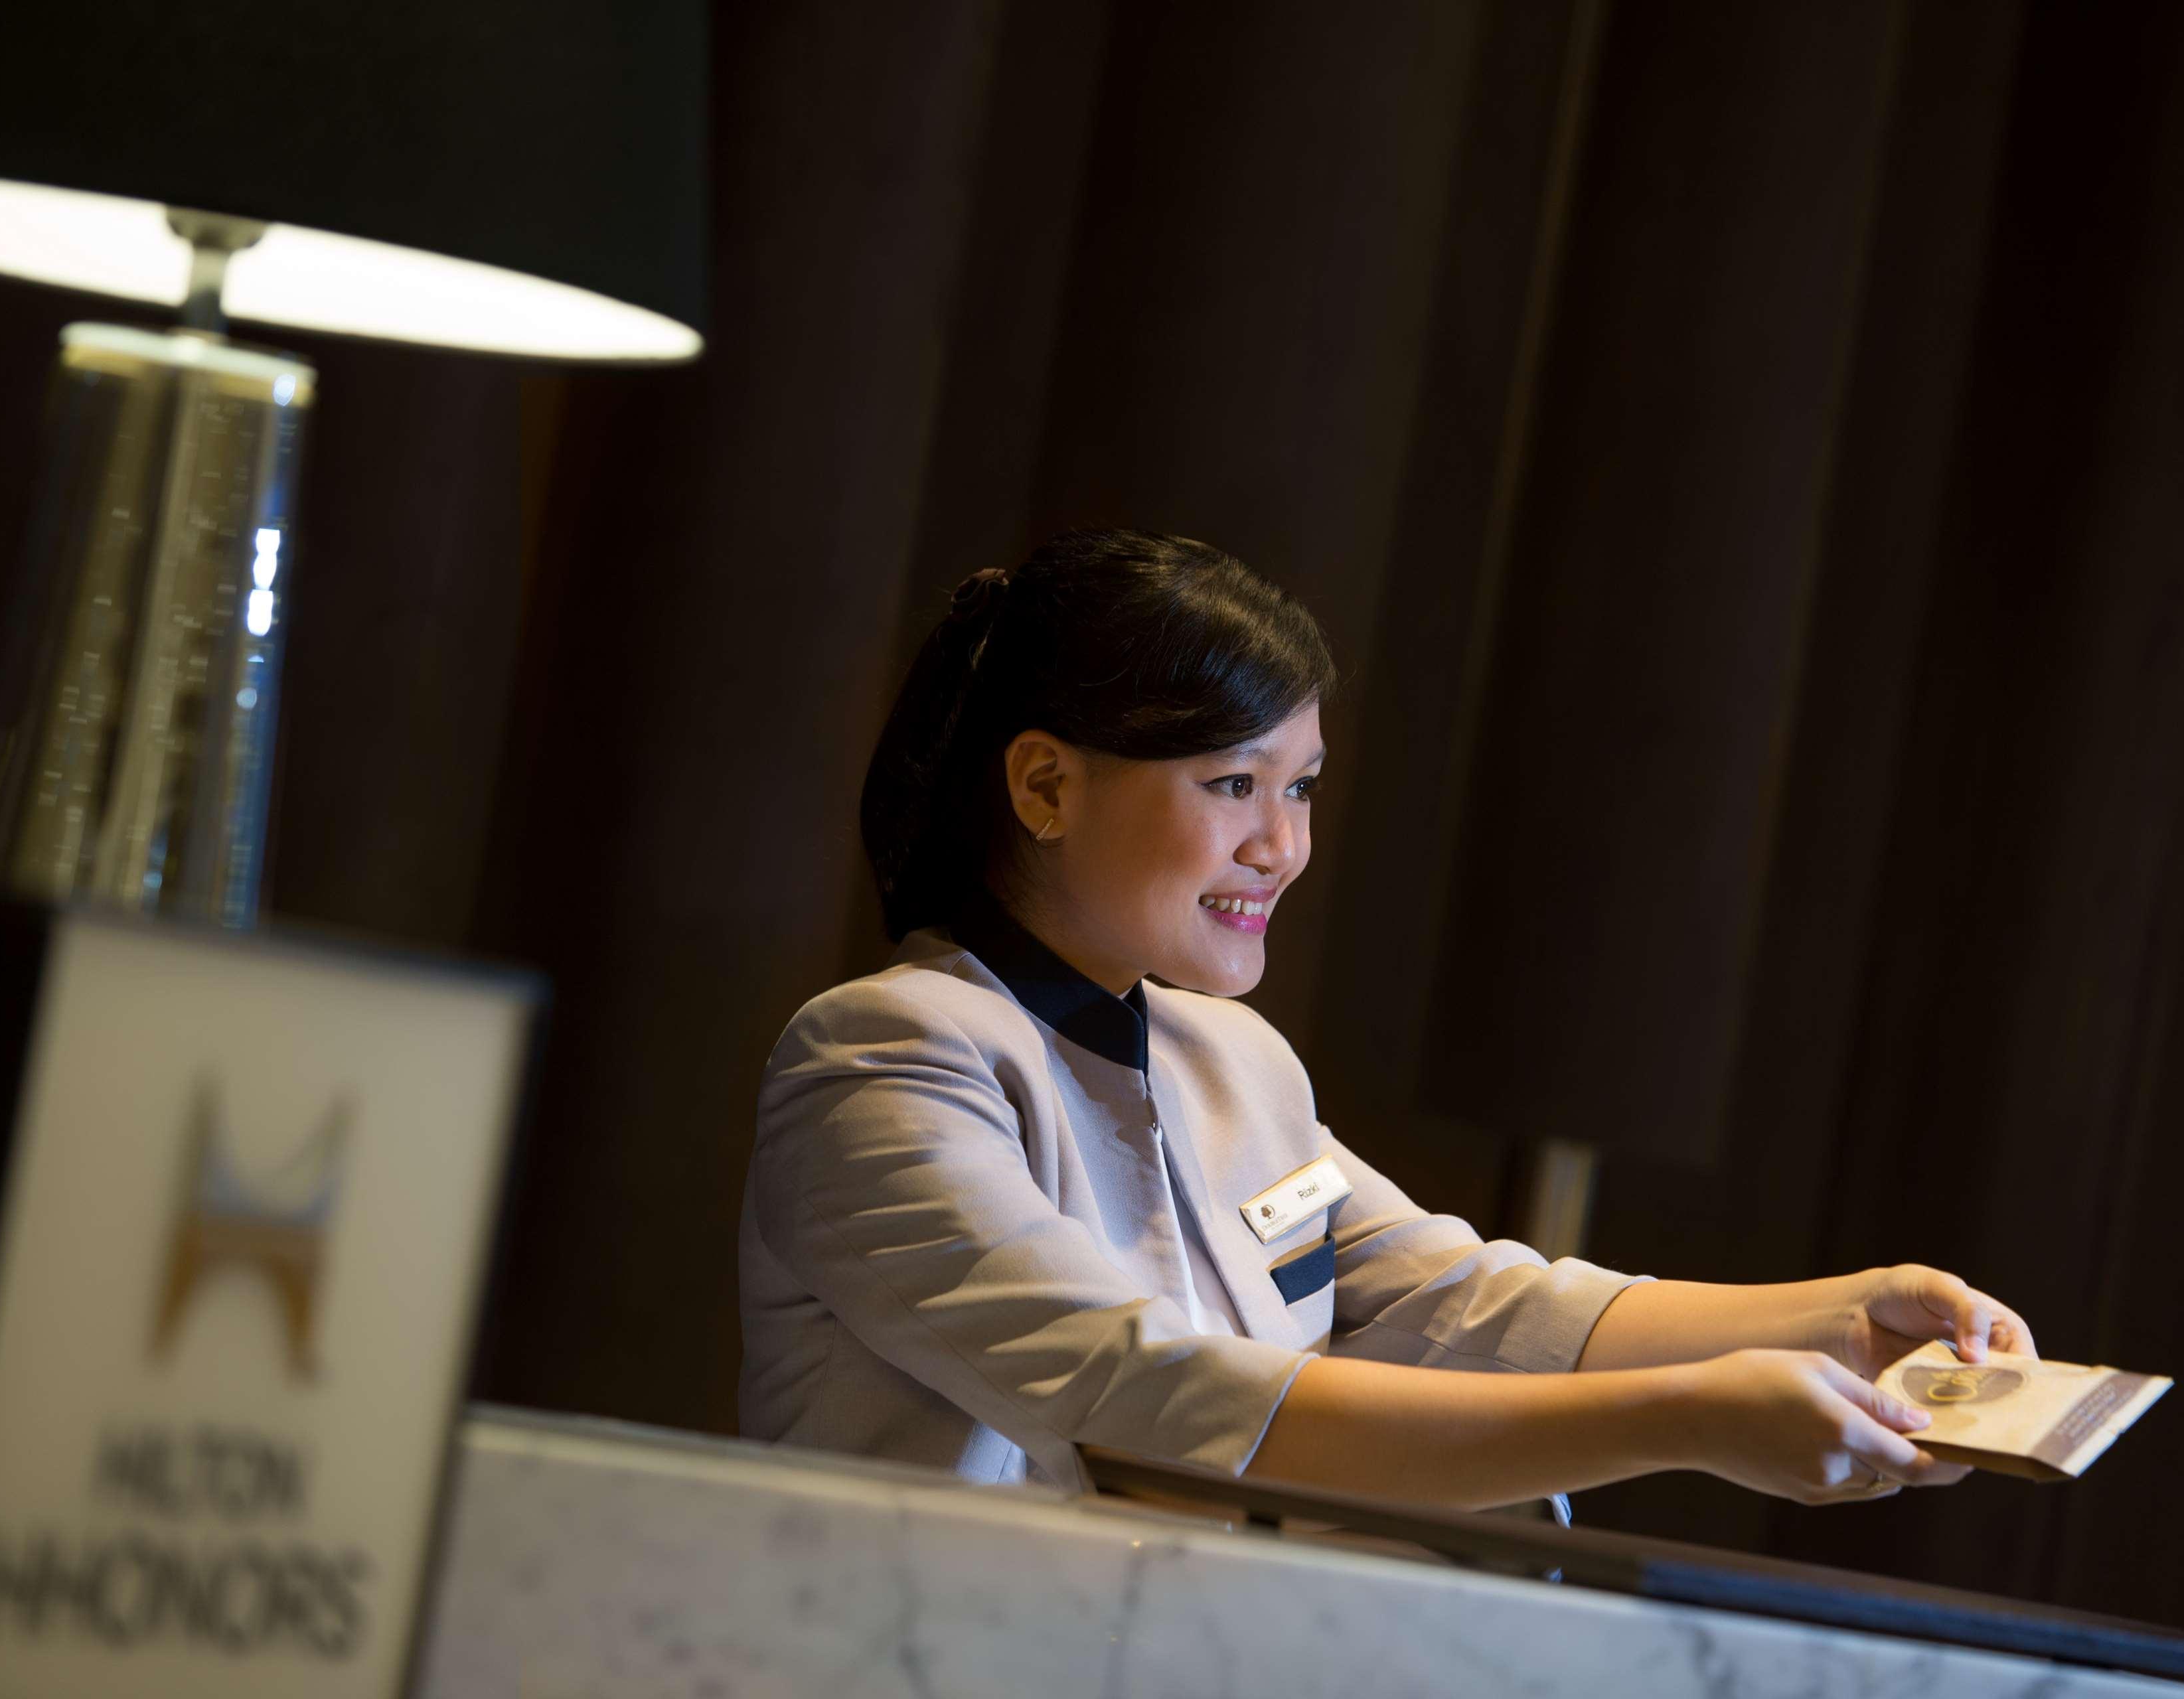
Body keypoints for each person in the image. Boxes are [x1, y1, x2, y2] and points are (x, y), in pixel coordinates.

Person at [738, 528, 2036, 1512]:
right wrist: (1685, 1416)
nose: (1280, 846)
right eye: (1234, 781)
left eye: (1299, 787)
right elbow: (1141, 1396)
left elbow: (1470, 1299)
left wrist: (1844, 1319)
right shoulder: (884, 1055)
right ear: (1043, 781)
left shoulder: (1233, 1060)